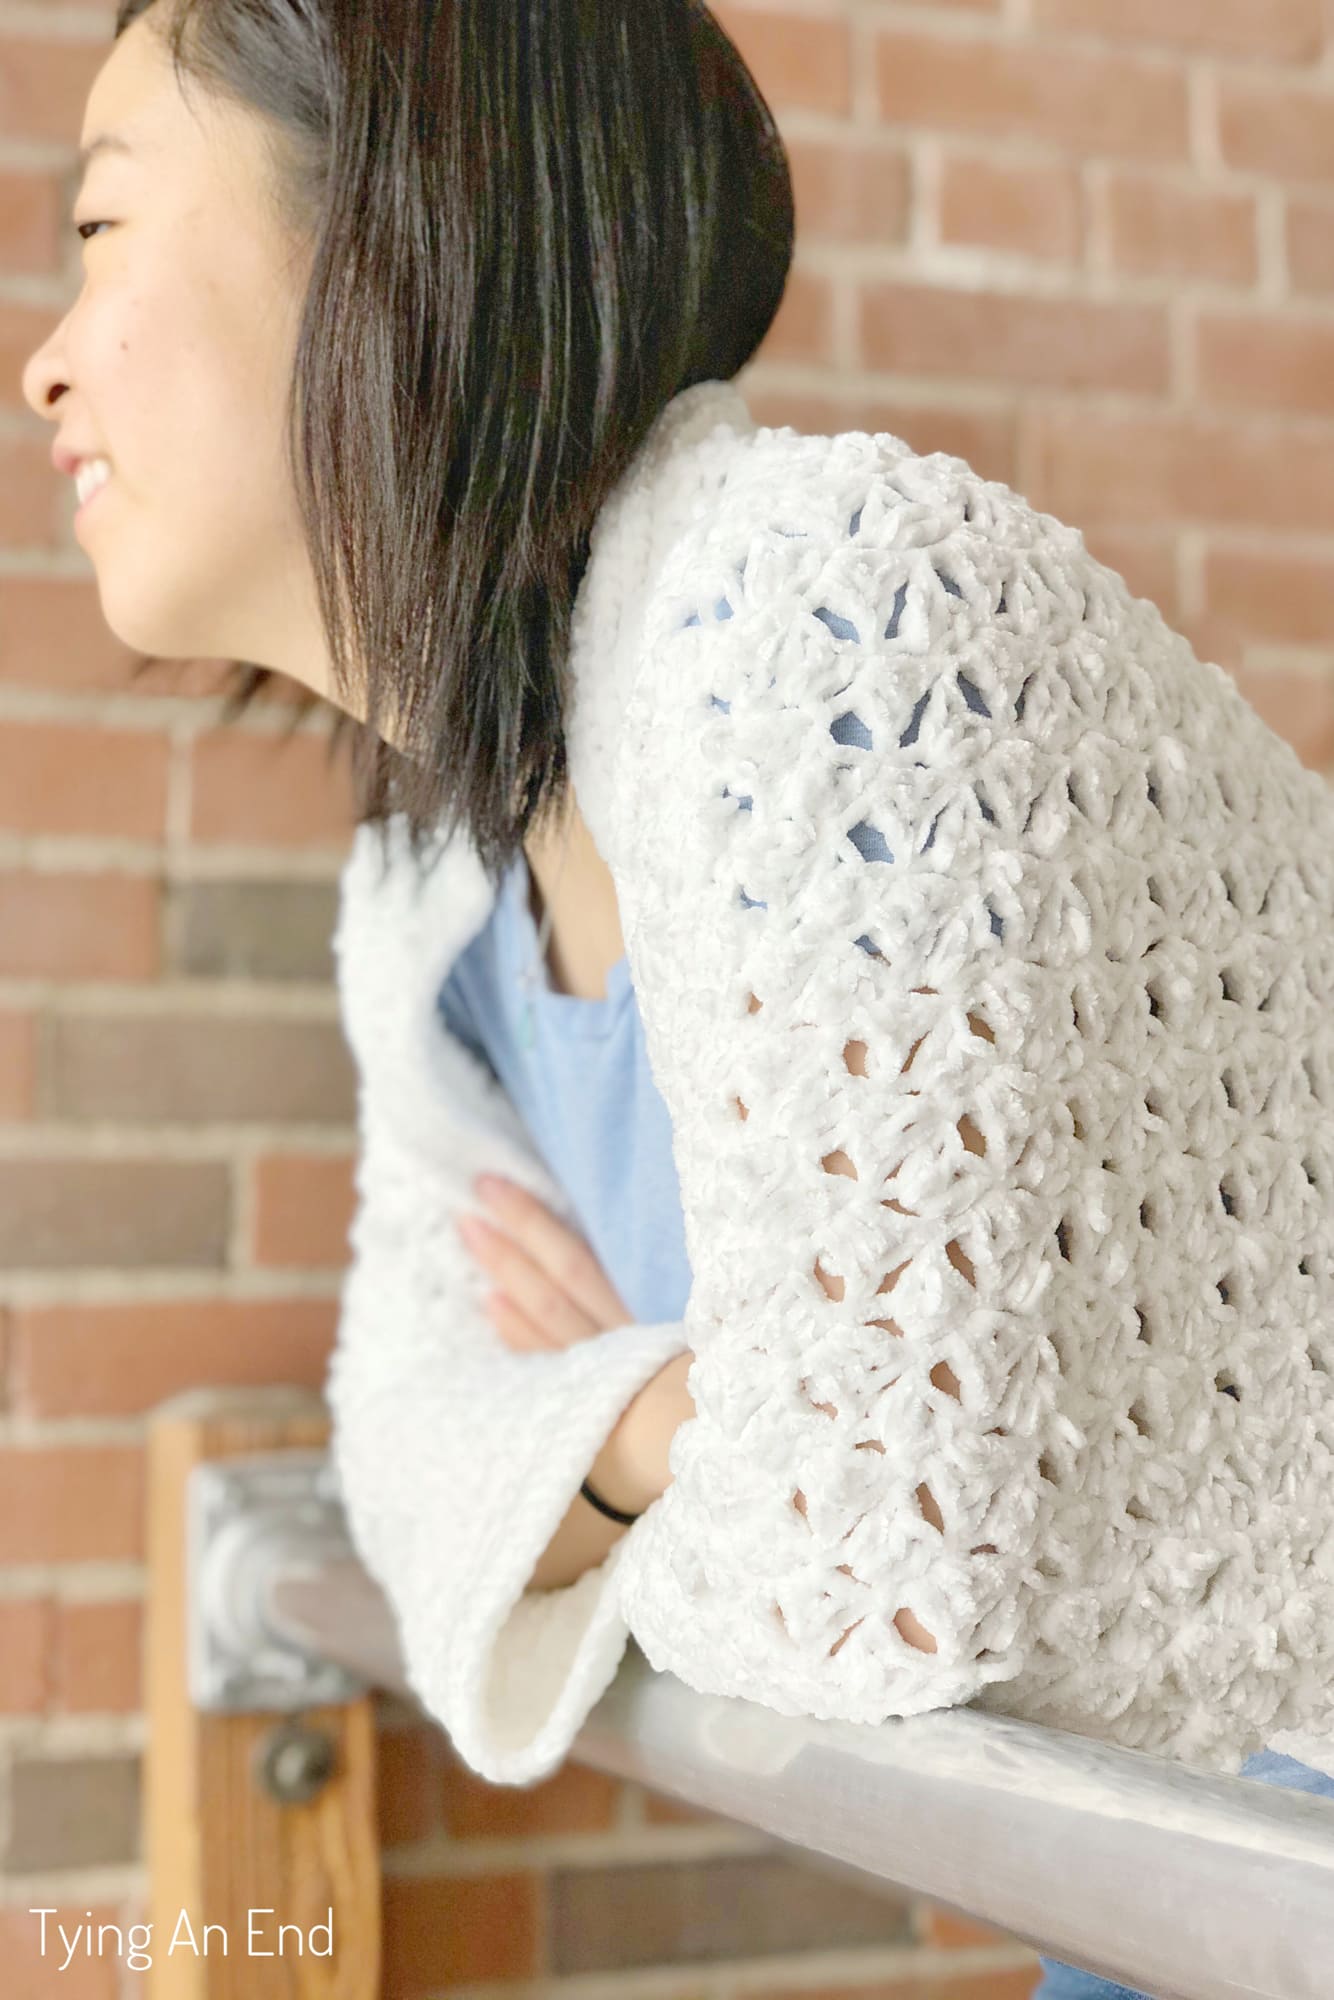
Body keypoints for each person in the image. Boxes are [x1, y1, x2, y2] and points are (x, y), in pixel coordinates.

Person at [22, 11, 1334, 1994]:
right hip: (1157, 1865)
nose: (42, 355)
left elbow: (868, 1577)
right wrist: (658, 1416)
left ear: (387, 229)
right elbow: (400, 1431)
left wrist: (610, 1455)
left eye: (103, 228)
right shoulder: (425, 893)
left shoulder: (816, 605)